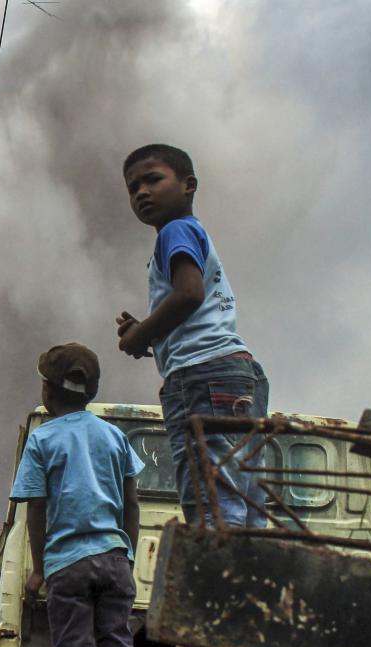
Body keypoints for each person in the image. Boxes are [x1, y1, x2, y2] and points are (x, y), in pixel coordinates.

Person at [115, 144, 270, 527]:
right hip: (236, 372)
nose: (141, 193)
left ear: (189, 185)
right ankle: (244, 579)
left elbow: (188, 294)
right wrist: (148, 331)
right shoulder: (192, 233)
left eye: (153, 180)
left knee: (212, 504)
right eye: (133, 188)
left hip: (200, 378)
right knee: (244, 497)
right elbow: (190, 306)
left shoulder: (174, 231)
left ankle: (216, 582)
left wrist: (139, 337)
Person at [10, 343, 144, 647]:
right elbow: (132, 505)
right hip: (113, 558)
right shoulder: (114, 436)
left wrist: (38, 569)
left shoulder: (42, 439)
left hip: (68, 563)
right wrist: (126, 554)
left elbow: (35, 507)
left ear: (47, 390)